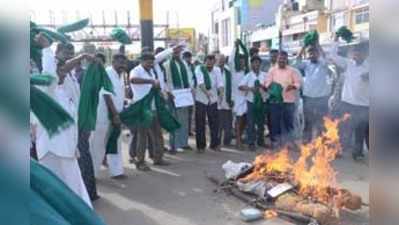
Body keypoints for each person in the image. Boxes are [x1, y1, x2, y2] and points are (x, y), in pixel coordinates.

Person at [36, 42, 93, 207]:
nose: (62, 73)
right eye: (59, 70)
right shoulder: (46, 89)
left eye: (63, 71)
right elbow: (49, 74)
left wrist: (74, 146)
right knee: (52, 188)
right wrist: (46, 48)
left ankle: (81, 214)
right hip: (49, 148)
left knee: (72, 186)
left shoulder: (64, 90)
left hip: (66, 149)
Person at [328, 40, 369, 161]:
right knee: (343, 129)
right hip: (346, 104)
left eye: (359, 53)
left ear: (365, 54)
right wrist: (335, 40)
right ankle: (338, 150)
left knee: (359, 131)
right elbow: (333, 56)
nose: (356, 56)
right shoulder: (348, 64)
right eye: (354, 53)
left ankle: (357, 153)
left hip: (363, 106)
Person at [90, 54, 128, 179]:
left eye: (124, 63)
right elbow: (107, 95)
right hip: (104, 115)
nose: (122, 65)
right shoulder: (107, 73)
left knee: (115, 142)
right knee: (99, 145)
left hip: (116, 113)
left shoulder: (121, 75)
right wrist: (114, 114)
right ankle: (91, 174)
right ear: (113, 62)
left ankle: (116, 172)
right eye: (120, 62)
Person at [130, 52, 169, 171]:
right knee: (142, 137)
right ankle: (140, 161)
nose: (150, 64)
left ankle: (158, 158)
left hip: (153, 107)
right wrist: (151, 82)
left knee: (158, 134)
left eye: (152, 62)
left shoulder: (151, 71)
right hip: (142, 108)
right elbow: (133, 80)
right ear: (142, 61)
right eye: (148, 62)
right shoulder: (136, 70)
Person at [295, 44, 333, 143]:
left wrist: (319, 45)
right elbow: (297, 61)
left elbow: (326, 58)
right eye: (310, 53)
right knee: (308, 121)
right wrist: (303, 47)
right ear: (308, 54)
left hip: (322, 98)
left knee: (322, 122)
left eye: (315, 53)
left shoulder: (323, 63)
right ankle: (306, 142)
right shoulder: (306, 64)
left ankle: (322, 143)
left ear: (318, 54)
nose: (312, 55)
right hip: (308, 98)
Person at [264, 51, 302, 149]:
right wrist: (271, 87)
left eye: (284, 59)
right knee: (274, 122)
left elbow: (298, 83)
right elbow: (267, 83)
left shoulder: (292, 71)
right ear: (277, 59)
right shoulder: (272, 70)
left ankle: (289, 142)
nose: (281, 60)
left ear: (286, 60)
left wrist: (292, 86)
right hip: (275, 101)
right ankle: (275, 142)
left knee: (289, 123)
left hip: (288, 101)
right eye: (280, 58)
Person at [164, 45, 192, 153]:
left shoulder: (184, 64)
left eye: (178, 52)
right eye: (175, 52)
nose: (177, 54)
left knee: (184, 119)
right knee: (174, 119)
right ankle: (174, 145)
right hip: (173, 93)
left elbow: (189, 78)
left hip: (184, 93)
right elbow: (165, 81)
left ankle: (184, 143)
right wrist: (168, 92)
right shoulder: (166, 65)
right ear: (171, 52)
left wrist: (190, 89)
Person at [194, 54, 224, 153]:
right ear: (205, 61)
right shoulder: (199, 68)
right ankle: (201, 146)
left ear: (214, 62)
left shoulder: (217, 70)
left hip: (213, 99)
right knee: (200, 123)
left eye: (212, 60)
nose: (210, 62)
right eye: (208, 60)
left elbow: (220, 84)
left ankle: (214, 144)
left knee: (214, 123)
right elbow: (200, 83)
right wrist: (207, 94)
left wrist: (221, 94)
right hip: (201, 99)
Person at [239, 56, 267, 151]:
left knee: (261, 122)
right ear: (251, 64)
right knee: (250, 123)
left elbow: (268, 86)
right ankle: (251, 142)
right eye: (254, 62)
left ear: (260, 64)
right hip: (251, 102)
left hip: (262, 102)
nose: (256, 64)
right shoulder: (248, 75)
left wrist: (263, 87)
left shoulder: (264, 75)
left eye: (258, 62)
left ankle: (260, 141)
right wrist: (251, 89)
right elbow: (241, 86)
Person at [229, 40, 249, 149]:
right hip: (236, 99)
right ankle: (238, 142)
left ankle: (240, 138)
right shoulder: (234, 71)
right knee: (238, 120)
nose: (242, 63)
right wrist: (236, 47)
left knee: (244, 121)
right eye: (240, 61)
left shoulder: (246, 72)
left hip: (246, 99)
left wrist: (242, 44)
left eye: (243, 61)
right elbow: (232, 59)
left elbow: (246, 55)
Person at [216, 54, 234, 147]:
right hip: (216, 102)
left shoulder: (228, 72)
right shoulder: (214, 71)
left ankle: (227, 141)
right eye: (220, 60)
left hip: (227, 101)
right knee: (218, 124)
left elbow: (231, 86)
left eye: (223, 60)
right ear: (216, 61)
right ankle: (217, 142)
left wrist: (232, 99)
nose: (221, 62)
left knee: (228, 124)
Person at [182, 51, 196, 137]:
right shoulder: (182, 66)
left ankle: (188, 130)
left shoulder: (192, 66)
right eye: (187, 58)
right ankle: (185, 130)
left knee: (190, 112)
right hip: (184, 92)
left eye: (189, 58)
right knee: (184, 113)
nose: (189, 59)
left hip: (191, 91)